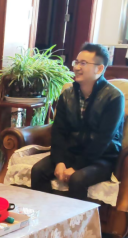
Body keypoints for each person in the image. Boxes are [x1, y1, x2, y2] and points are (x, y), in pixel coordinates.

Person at [31, 43, 124, 200]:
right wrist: (59, 161)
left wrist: (76, 167)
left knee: (78, 178)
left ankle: (74, 217)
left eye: (83, 63)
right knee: (38, 170)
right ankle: (46, 213)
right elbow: (58, 131)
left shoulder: (114, 98)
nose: (77, 67)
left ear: (99, 69)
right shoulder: (67, 95)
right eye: (76, 62)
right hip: (71, 152)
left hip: (101, 157)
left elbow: (103, 139)